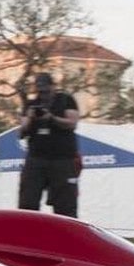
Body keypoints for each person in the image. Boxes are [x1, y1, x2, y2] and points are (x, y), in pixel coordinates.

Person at [18, 72, 80, 218]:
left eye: (46, 90)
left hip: (62, 159)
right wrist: (30, 118)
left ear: (53, 87)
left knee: (65, 205)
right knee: (27, 202)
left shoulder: (65, 100)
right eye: (40, 91)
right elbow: (21, 132)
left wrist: (51, 118)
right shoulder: (32, 104)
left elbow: (72, 123)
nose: (43, 94)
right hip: (36, 158)